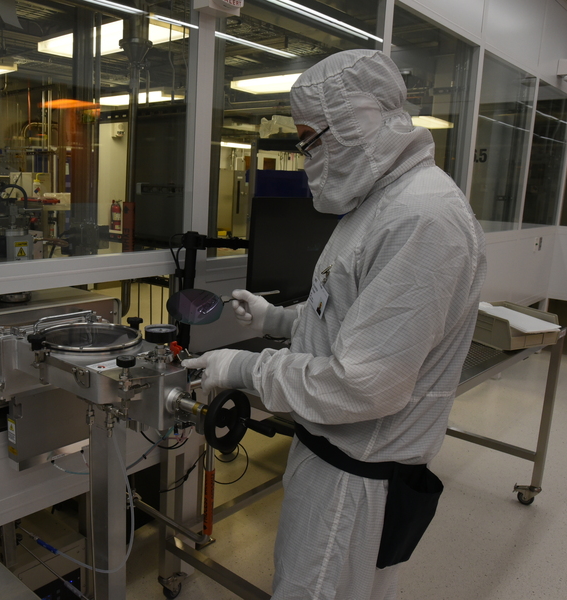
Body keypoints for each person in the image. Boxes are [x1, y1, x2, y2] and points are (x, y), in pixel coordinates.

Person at [182, 49, 487, 599]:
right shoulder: (379, 204)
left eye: (308, 140)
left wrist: (246, 368)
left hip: (356, 483)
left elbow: (363, 383)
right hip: (332, 459)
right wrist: (279, 318)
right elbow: (351, 316)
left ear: (354, 124)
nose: (306, 159)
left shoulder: (422, 218)